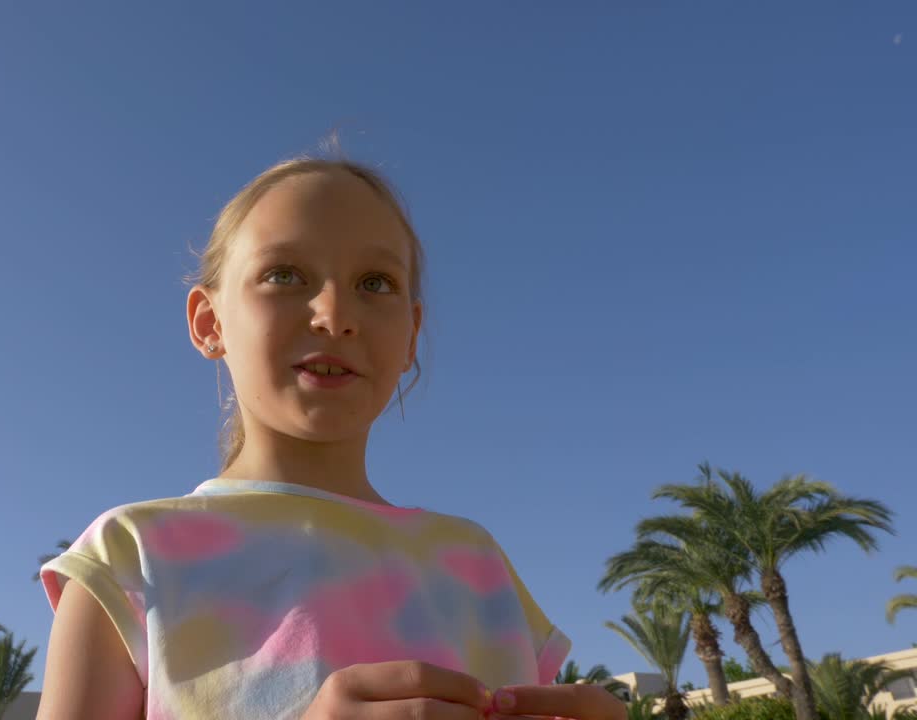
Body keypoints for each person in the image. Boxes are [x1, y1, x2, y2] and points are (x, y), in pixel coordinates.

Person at [36, 155, 626, 720]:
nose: (335, 315)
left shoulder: (477, 566)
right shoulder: (129, 559)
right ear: (209, 322)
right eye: (283, 275)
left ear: (411, 335)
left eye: (375, 282)